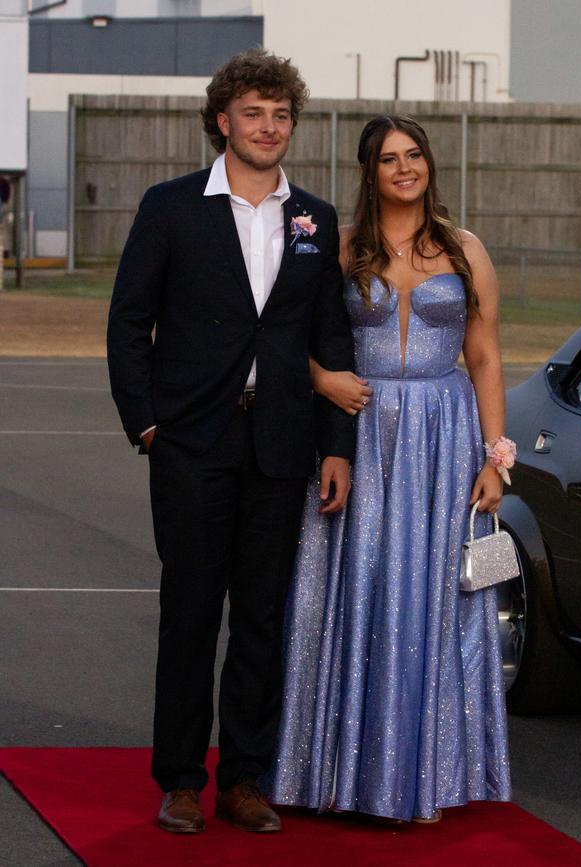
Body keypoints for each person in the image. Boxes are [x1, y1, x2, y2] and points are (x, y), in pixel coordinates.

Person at [107, 48, 355, 835]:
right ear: (223, 120)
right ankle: (180, 776)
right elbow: (127, 322)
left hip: (281, 447)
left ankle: (244, 775)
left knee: (261, 616)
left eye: (281, 115)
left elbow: (330, 334)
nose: (269, 127)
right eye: (254, 113)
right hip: (191, 443)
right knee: (189, 613)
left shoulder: (316, 217)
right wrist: (146, 420)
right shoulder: (171, 205)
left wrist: (338, 445)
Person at [265, 115, 512, 822]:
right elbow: (283, 335)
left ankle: (423, 773)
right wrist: (322, 378)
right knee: (352, 588)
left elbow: (487, 356)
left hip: (444, 439)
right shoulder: (339, 247)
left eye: (414, 156)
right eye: (388, 160)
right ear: (370, 172)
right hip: (358, 432)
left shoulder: (465, 250)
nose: (405, 168)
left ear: (429, 163)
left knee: (433, 601)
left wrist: (497, 456)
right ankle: (334, 772)